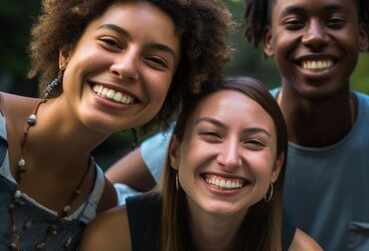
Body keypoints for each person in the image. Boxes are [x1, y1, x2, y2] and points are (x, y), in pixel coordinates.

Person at [106, 0, 369, 251]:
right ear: (269, 40)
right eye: (295, 22)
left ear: (362, 35)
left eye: (334, 20)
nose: (314, 36)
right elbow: (105, 194)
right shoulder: (226, 128)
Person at [0, 0, 233, 250]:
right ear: (66, 53)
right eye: (111, 42)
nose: (126, 68)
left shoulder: (102, 206)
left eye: (155, 61)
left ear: (171, 89)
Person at [80, 76, 322, 251]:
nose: (229, 159)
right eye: (211, 135)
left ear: (275, 168)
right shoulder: (115, 238)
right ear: (175, 152)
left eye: (254, 142)